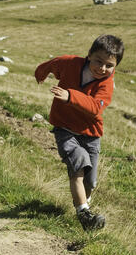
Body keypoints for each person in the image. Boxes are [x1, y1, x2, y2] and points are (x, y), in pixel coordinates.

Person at [34, 35, 124, 231]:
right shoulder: (71, 64)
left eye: (109, 65)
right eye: (98, 61)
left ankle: (85, 200)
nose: (102, 68)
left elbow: (95, 108)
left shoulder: (106, 84)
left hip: (91, 134)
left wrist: (70, 96)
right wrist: (41, 72)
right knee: (78, 168)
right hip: (65, 129)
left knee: (90, 181)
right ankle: (84, 215)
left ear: (115, 67)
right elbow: (54, 63)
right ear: (89, 55)